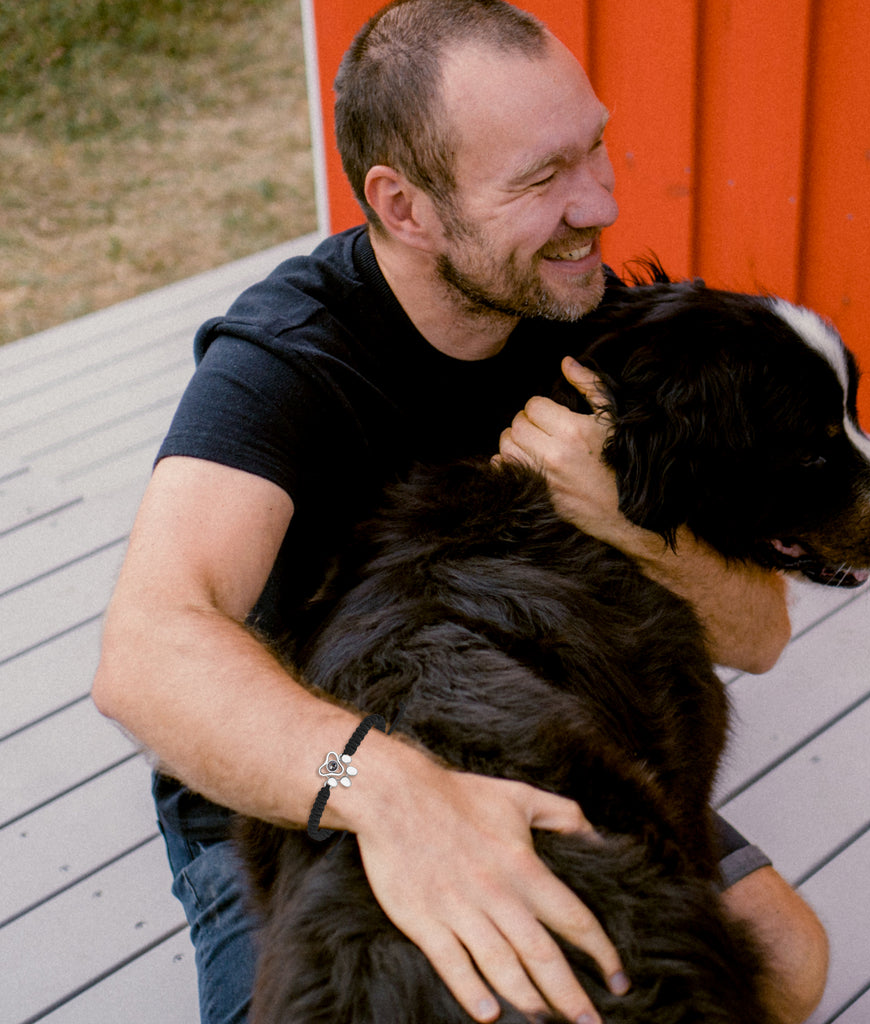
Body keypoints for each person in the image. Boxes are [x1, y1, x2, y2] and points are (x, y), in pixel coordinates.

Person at [92, 2, 828, 1022]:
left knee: (786, 961)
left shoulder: (578, 316)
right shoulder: (284, 361)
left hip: (533, 720)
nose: (600, 202)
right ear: (403, 205)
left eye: (595, 147)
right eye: (540, 178)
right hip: (310, 768)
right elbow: (142, 654)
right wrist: (398, 797)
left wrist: (617, 516)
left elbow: (760, 633)